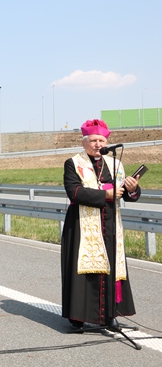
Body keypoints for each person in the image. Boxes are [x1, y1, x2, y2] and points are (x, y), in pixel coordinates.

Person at [60, 119, 140, 331]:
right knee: (84, 270)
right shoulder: (73, 163)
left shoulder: (115, 164)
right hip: (82, 224)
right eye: (93, 140)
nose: (98, 144)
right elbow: (74, 192)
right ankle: (79, 316)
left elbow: (126, 195)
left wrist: (132, 189)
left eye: (101, 140)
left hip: (111, 224)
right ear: (84, 141)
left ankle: (110, 314)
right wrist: (106, 195)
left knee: (111, 268)